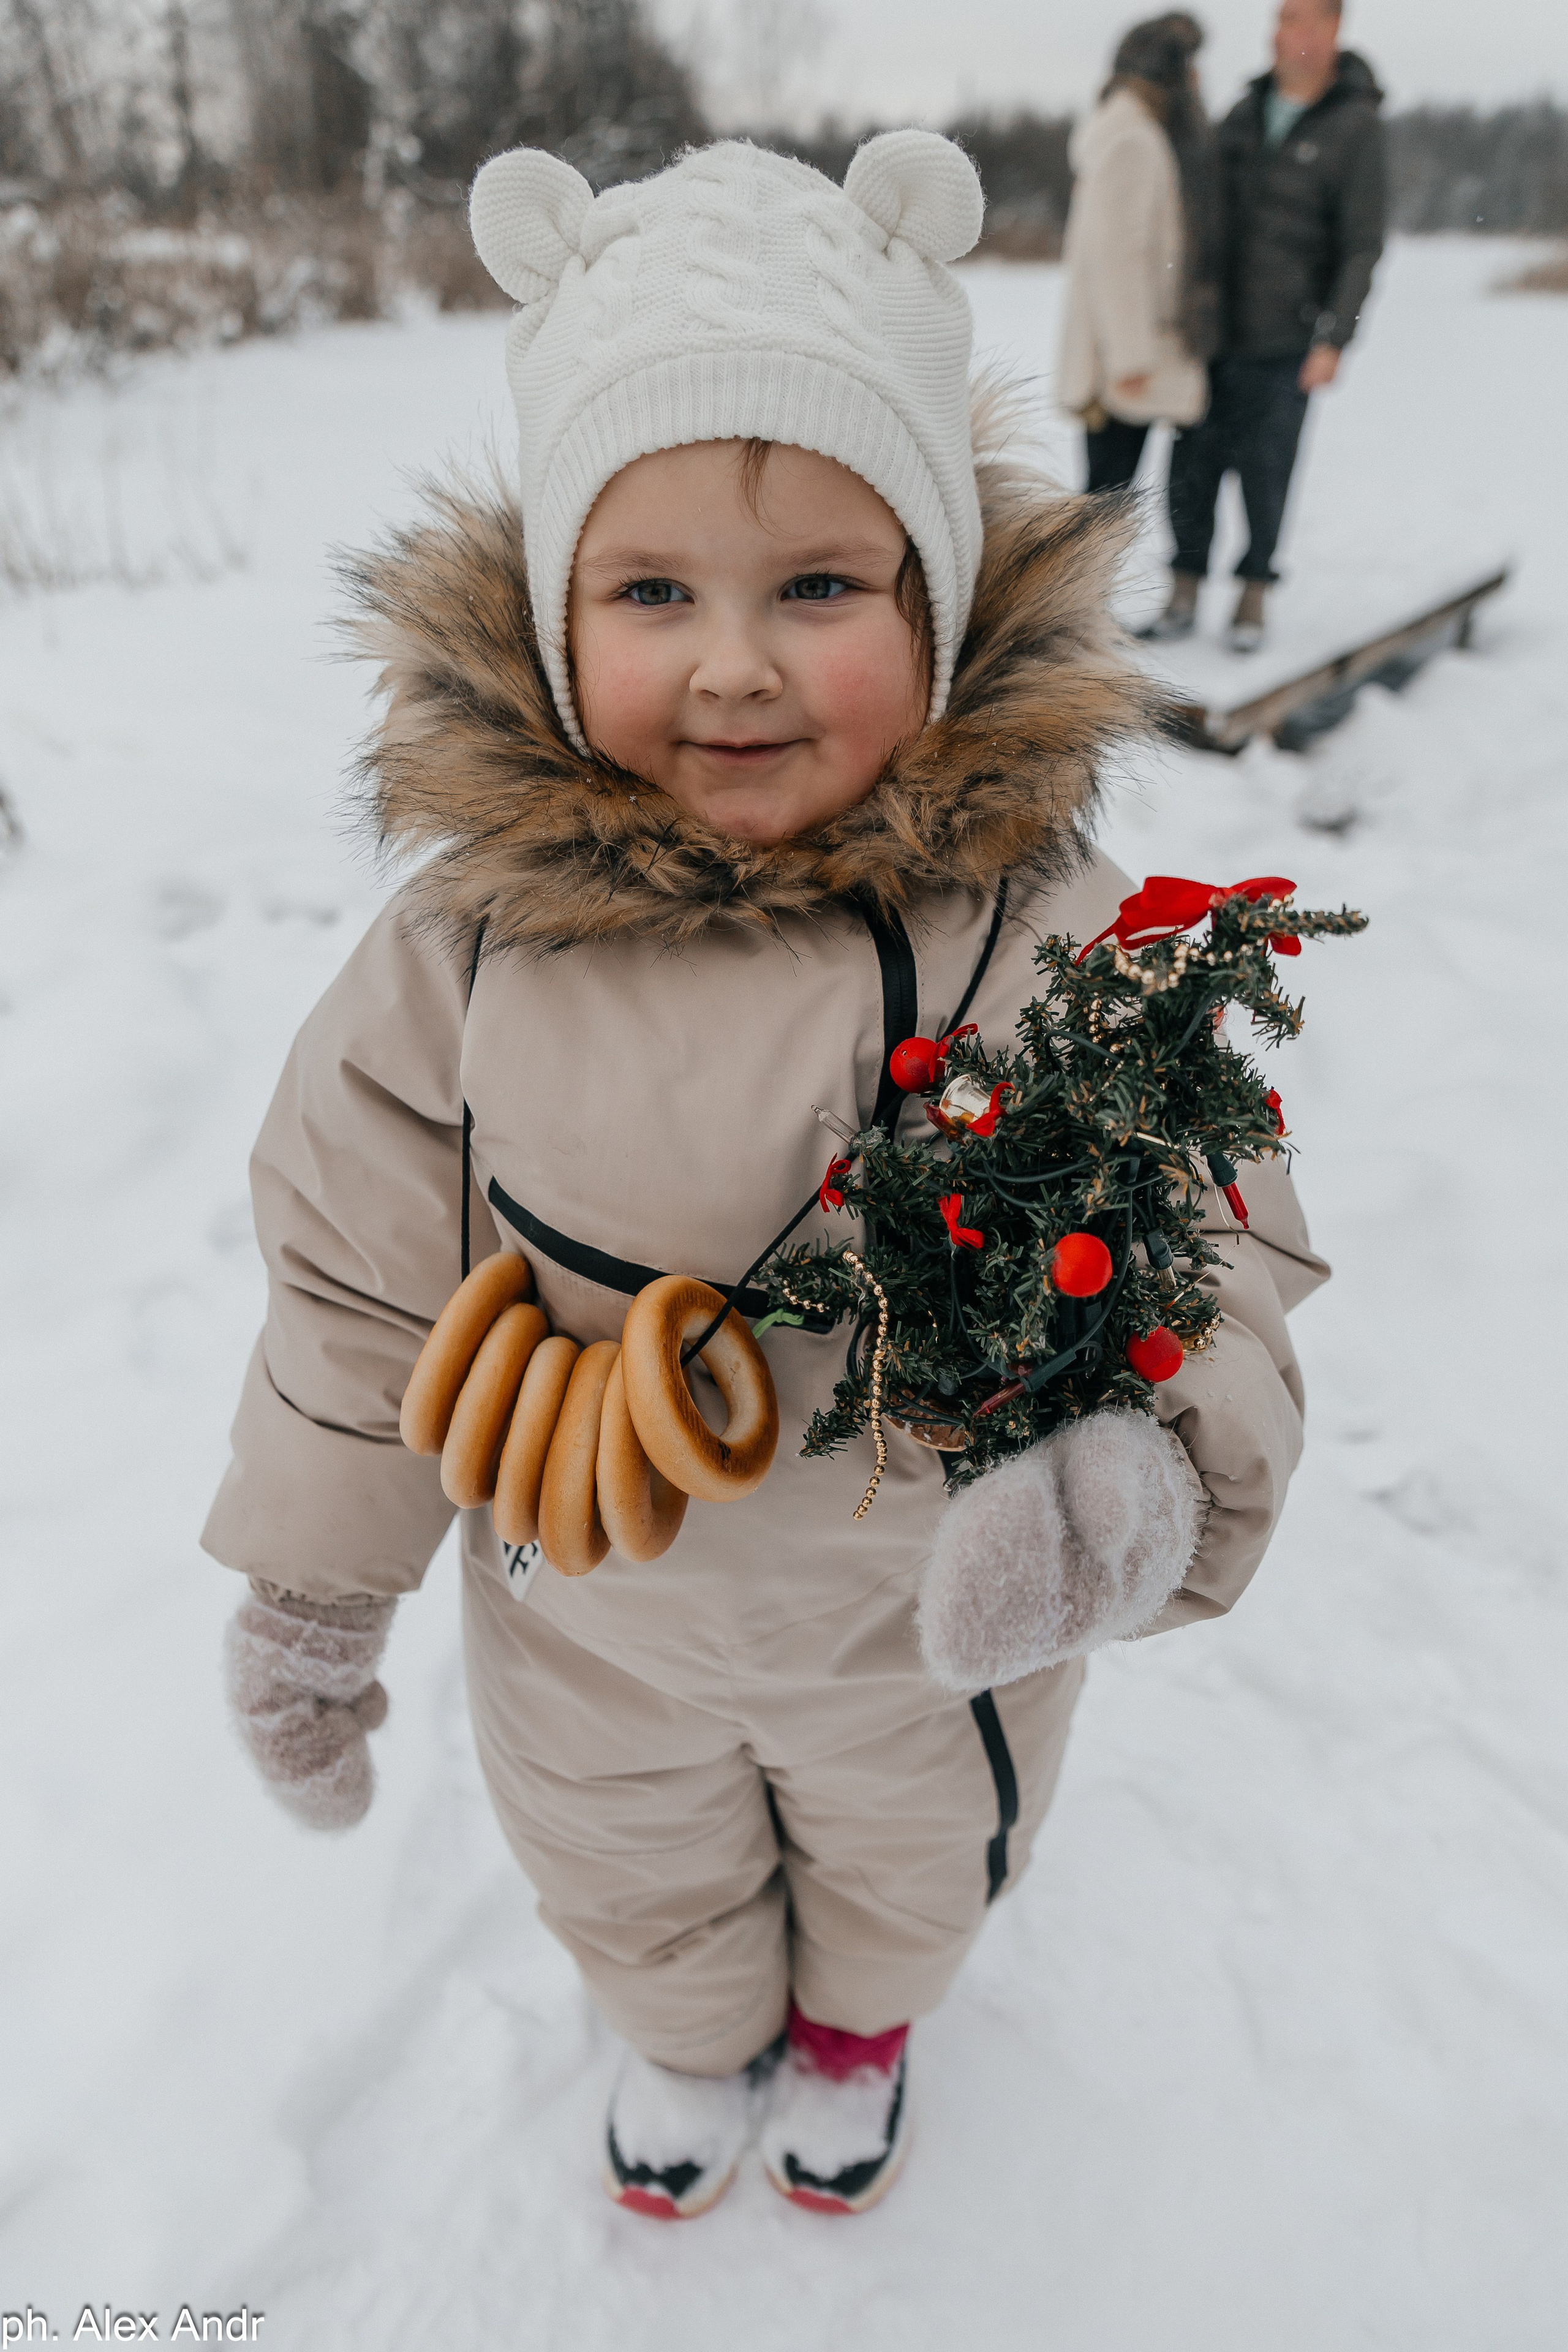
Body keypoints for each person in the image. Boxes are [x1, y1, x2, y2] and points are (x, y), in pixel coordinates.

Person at [206, 132, 1327, 2221]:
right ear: (554, 618)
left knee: (914, 1861)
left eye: (818, 585)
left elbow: (1214, 1225)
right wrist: (313, 1584)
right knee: (620, 1854)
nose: (733, 663)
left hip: (930, 1607)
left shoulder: (1065, 928)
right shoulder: (466, 949)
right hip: (583, 1602)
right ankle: (689, 2032)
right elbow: (354, 1284)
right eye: (653, 594)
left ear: (938, 597)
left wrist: (1155, 1456)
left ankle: (861, 2028)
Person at [1144, 0, 1385, 650]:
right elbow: (1199, 196)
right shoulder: (1245, 111)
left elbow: (1362, 244)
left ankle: (1253, 595)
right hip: (1213, 333)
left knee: (1265, 473)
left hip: (1286, 339)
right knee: (1190, 468)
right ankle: (1183, 587)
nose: (1283, 31)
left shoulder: (1355, 126)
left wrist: (1334, 338)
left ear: (1333, 28)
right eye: (1280, 17)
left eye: (1300, 17)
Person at [1057, 12, 1218, 492]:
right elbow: (1117, 257)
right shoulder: (1135, 140)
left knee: (1105, 504)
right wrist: (1130, 359)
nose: (1198, 79)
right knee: (1106, 510)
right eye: (1190, 65)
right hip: (1125, 366)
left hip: (1114, 354)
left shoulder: (1121, 129)